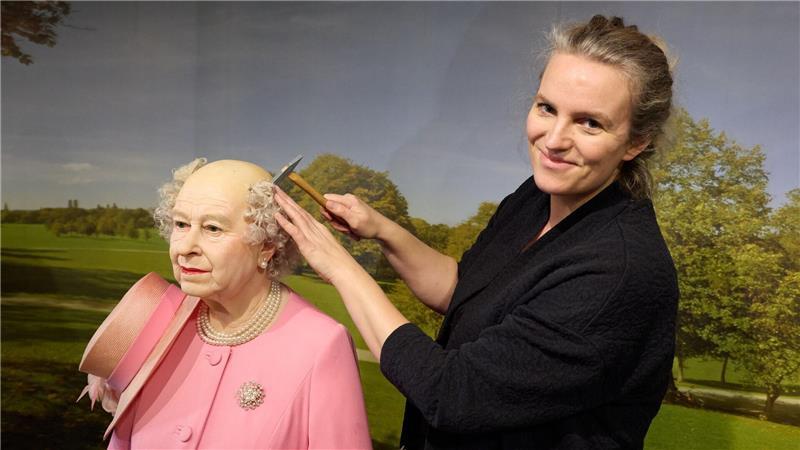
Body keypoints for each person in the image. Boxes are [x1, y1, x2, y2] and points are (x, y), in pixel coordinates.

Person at [274, 15, 679, 450]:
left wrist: (339, 266)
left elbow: (450, 393)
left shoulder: (619, 271)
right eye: (546, 108)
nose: (554, 139)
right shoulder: (537, 196)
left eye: (590, 123)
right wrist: (381, 229)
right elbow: (463, 290)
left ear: (637, 142)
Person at [83, 158, 372, 449]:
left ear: (267, 245)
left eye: (212, 229)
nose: (184, 248)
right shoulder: (152, 317)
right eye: (181, 224)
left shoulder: (321, 344)